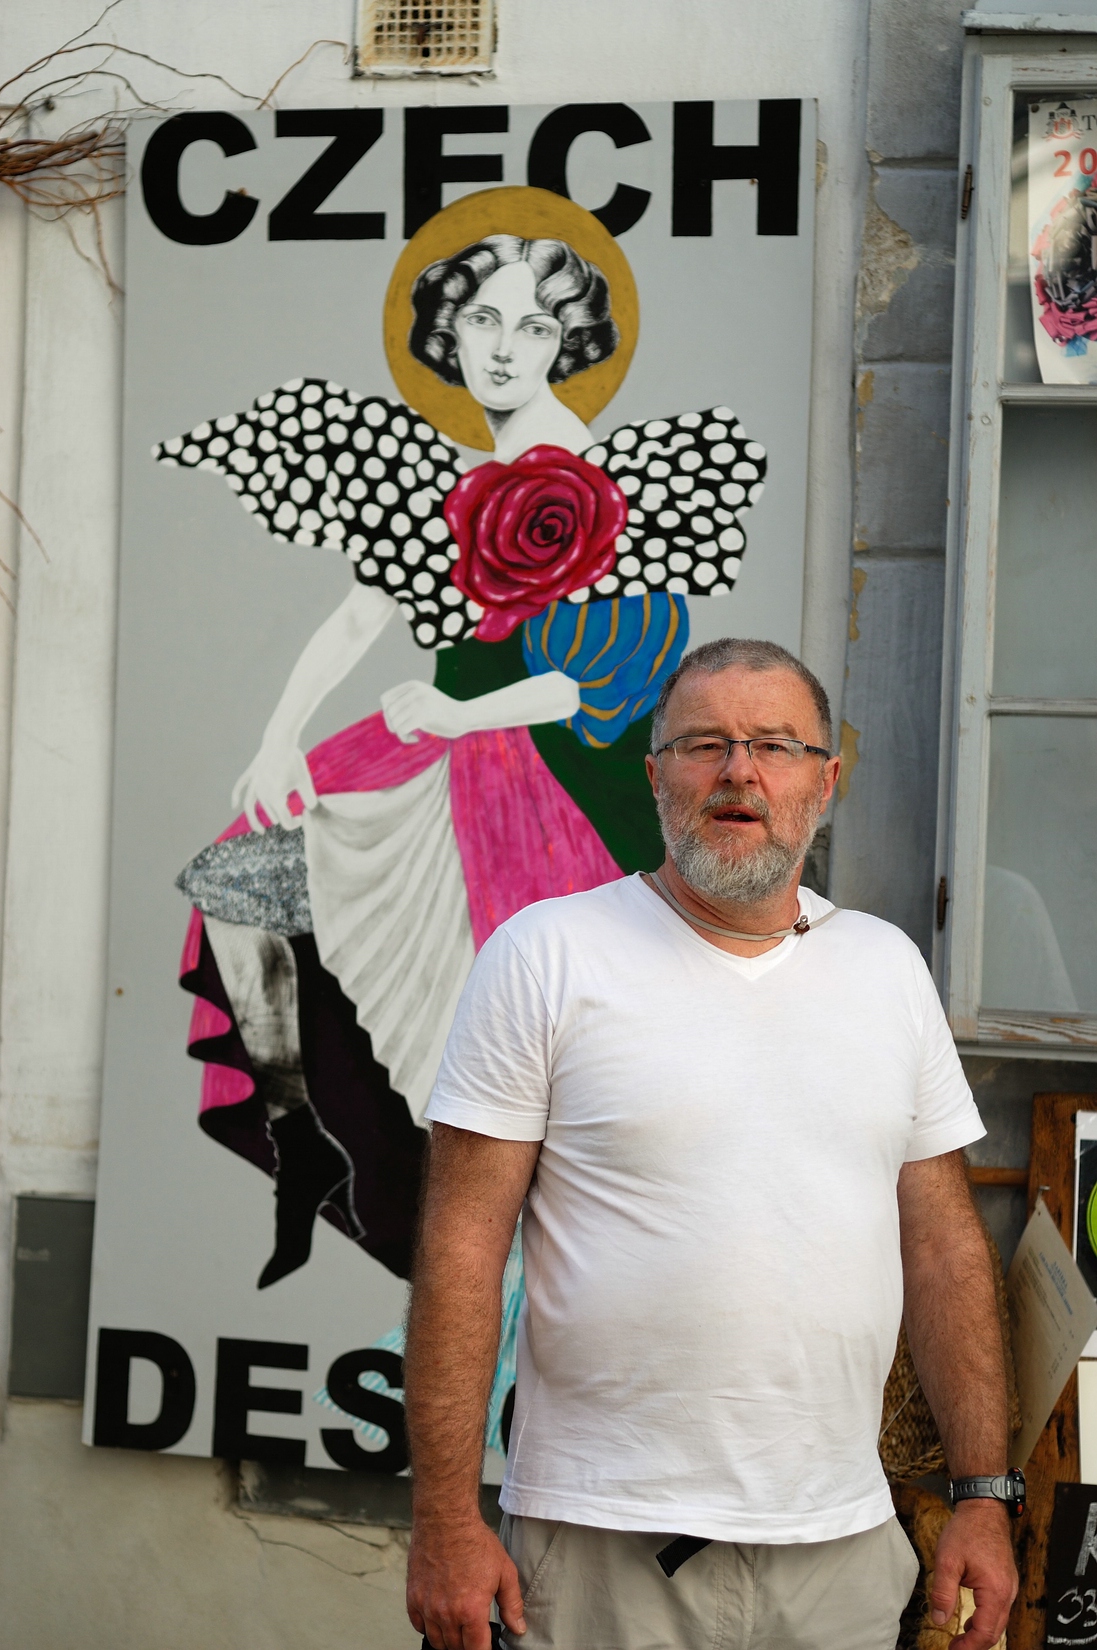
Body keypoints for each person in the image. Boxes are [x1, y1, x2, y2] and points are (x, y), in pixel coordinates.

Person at [161, 198, 766, 1320]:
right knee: (236, 877)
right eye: (480, 318)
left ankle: (527, 1287)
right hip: (428, 750)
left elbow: (603, 681)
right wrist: (278, 735)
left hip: (546, 789)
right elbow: (360, 614)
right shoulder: (440, 483)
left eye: (531, 326)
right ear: (446, 332)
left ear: (569, 341)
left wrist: (459, 716)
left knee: (501, 1048)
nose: (500, 347)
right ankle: (301, 1135)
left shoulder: (619, 484)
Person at [405, 637, 1017, 1650]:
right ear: (655, 777)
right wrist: (442, 1520)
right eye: (704, 745)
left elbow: (944, 1245)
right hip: (601, 1545)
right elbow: (462, 1245)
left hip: (839, 1551)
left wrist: (985, 1496)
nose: (739, 770)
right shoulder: (547, 955)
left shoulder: (886, 970)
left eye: (775, 745)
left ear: (825, 780)